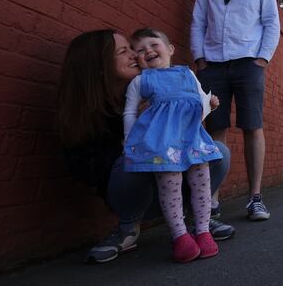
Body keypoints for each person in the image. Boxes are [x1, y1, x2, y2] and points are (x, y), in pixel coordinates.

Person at [56, 29, 234, 265]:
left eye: (133, 48)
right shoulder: (93, 111)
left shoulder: (163, 85)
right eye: (125, 50)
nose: (136, 54)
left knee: (217, 151)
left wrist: (200, 109)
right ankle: (128, 228)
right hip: (135, 194)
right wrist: (140, 134)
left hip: (177, 183)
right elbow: (89, 173)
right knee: (127, 162)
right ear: (100, 66)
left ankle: (198, 220)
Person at [191, 0, 280, 221]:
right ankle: (212, 197)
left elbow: (271, 24)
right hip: (213, 66)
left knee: (252, 127)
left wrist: (263, 59)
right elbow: (198, 22)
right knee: (215, 129)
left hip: (248, 64)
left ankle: (255, 198)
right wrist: (200, 59)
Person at [123, 28, 223, 262]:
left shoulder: (188, 74)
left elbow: (199, 103)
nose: (148, 50)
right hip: (161, 144)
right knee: (170, 184)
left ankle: (203, 231)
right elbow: (129, 112)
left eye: (153, 44)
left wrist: (211, 105)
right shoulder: (140, 81)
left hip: (192, 139)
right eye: (140, 49)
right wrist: (128, 142)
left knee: (201, 181)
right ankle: (180, 236)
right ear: (137, 59)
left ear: (170, 49)